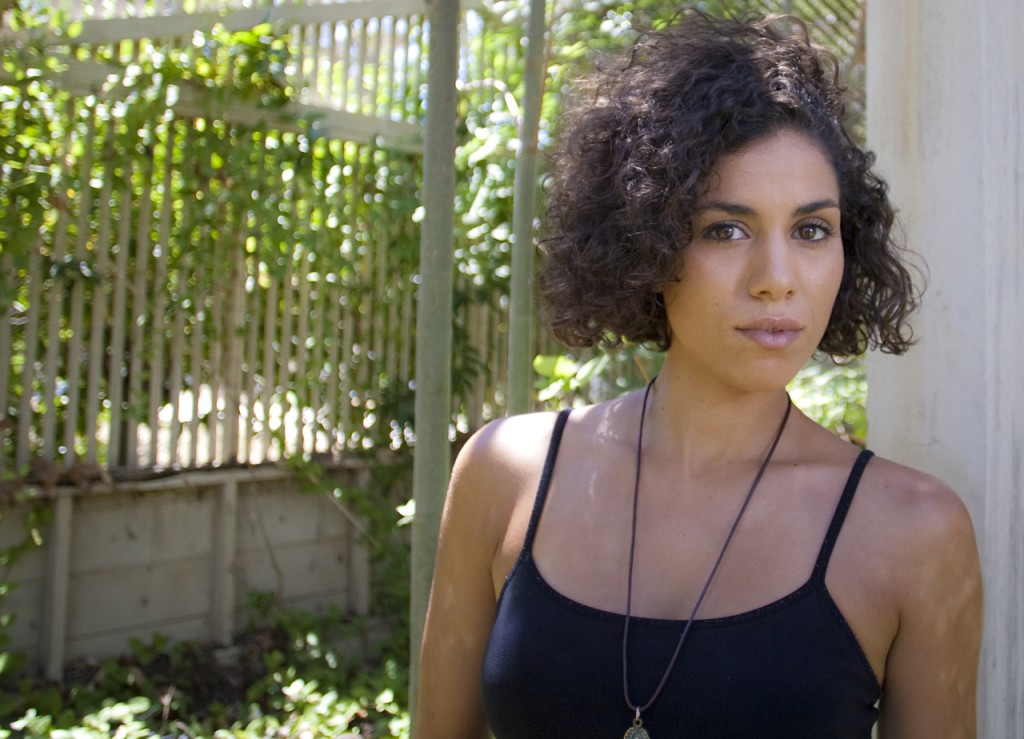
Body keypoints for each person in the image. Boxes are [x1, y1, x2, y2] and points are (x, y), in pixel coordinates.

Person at [415, 12, 982, 739]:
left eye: (812, 229)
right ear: (646, 241)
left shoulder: (914, 530)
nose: (778, 280)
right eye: (727, 228)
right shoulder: (505, 473)